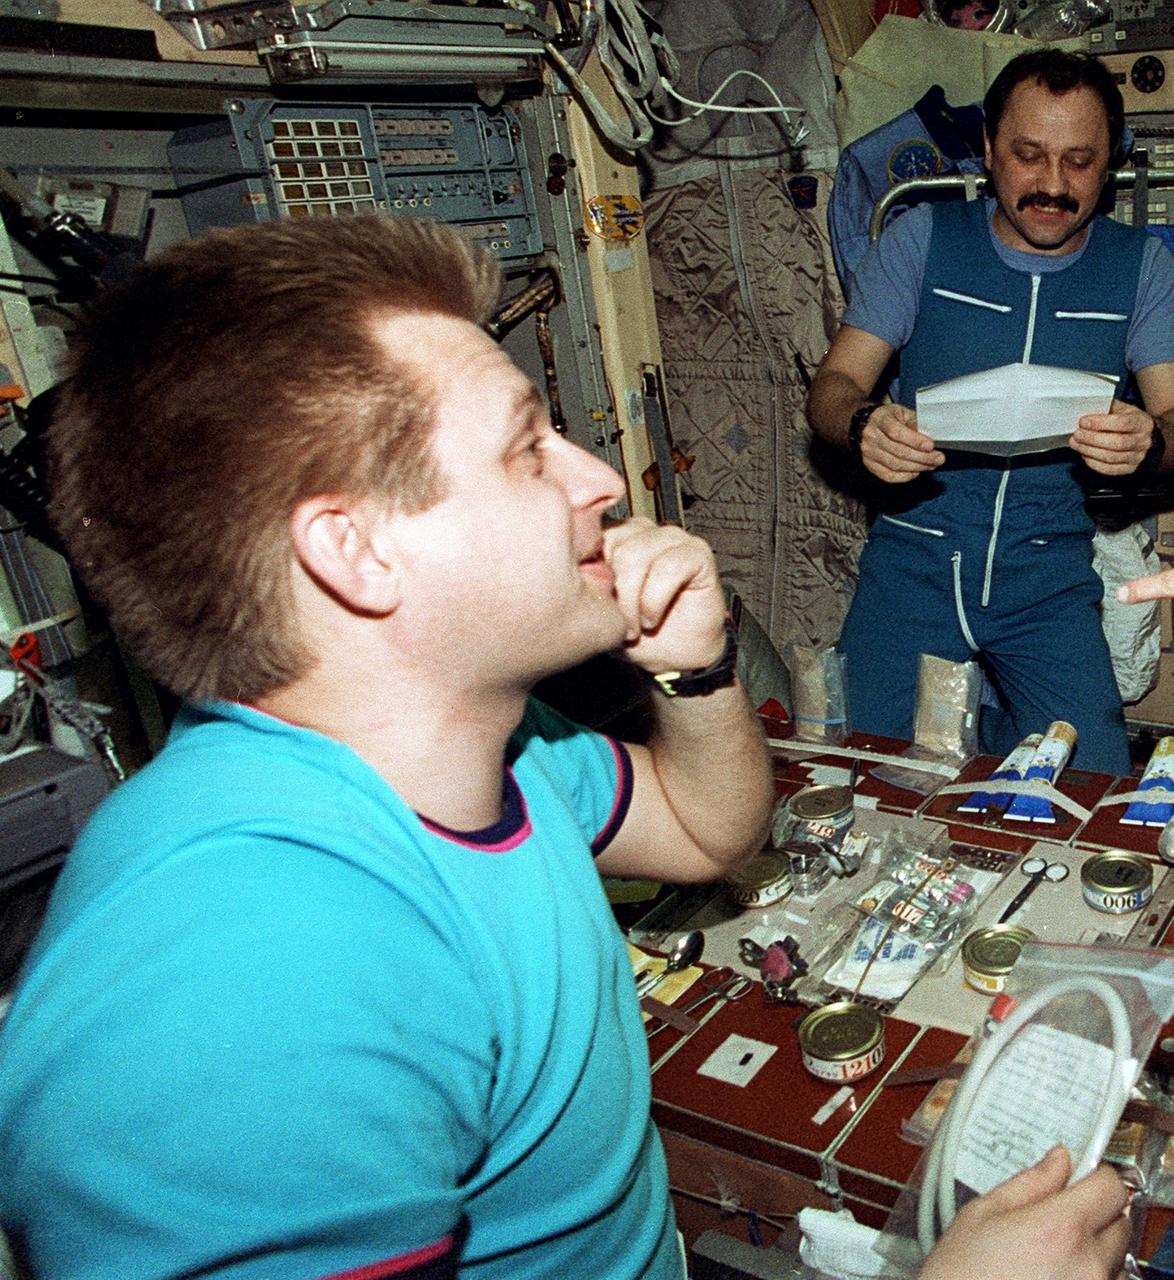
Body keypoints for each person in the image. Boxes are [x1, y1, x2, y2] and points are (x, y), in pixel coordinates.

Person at [0, 214, 1129, 1280]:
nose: (597, 478)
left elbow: (705, 827)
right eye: (526, 448)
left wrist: (694, 667)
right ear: (352, 553)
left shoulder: (486, 747)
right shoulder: (241, 990)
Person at [807, 48, 1174, 775]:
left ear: (1112, 164)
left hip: (1048, 578)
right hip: (913, 562)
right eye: (1028, 155)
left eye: (1079, 161)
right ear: (986, 150)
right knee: (861, 776)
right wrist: (861, 423)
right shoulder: (922, 238)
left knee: (1088, 793)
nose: (1052, 185)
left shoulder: (1143, 266)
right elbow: (834, 385)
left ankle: (1001, 749)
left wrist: (1152, 441)